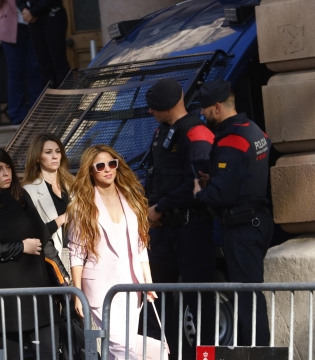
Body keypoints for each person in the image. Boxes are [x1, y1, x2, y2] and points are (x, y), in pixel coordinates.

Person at [0, 145, 68, 358]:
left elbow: (43, 240)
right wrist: (20, 247)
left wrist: (63, 281)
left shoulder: (20, 196)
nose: (6, 174)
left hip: (38, 295)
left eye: (7, 167)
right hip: (4, 303)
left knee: (50, 353)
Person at [193, 79, 272, 346]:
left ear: (217, 107)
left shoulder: (232, 139)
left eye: (204, 109)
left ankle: (259, 353)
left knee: (248, 300)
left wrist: (199, 192)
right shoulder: (253, 129)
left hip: (241, 227)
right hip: (256, 220)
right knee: (250, 297)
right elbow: (244, 174)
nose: (202, 114)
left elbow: (221, 194)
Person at [143, 78, 216, 358]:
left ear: (168, 106)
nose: (150, 112)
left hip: (190, 226)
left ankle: (204, 356)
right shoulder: (162, 132)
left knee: (199, 299)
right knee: (159, 298)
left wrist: (160, 206)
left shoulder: (196, 133)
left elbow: (196, 181)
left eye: (154, 108)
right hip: (163, 228)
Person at [67, 145, 155, 359]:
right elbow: (76, 253)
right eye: (100, 166)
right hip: (100, 289)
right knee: (120, 347)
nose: (108, 169)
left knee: (126, 346)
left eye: (112, 164)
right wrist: (77, 294)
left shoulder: (131, 199)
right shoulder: (81, 206)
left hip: (132, 286)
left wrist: (148, 283)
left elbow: (140, 246)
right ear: (90, 170)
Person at [22, 133, 74, 273]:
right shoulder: (28, 191)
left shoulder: (74, 185)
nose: (55, 156)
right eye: (48, 152)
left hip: (81, 252)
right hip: (55, 256)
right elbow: (34, 233)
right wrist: (63, 218)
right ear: (37, 157)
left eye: (57, 151)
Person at [0, 0, 43, 124]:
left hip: (36, 21)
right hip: (8, 25)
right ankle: (17, 116)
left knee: (35, 69)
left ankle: (39, 114)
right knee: (15, 71)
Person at [17, 0, 70, 88]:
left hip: (53, 14)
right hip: (34, 21)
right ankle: (51, 98)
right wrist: (24, 9)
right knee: (44, 66)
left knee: (58, 62)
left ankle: (66, 98)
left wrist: (33, 12)